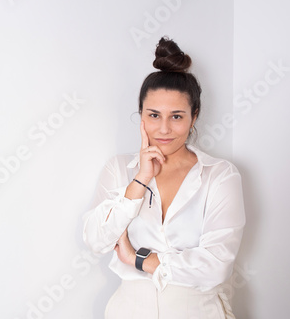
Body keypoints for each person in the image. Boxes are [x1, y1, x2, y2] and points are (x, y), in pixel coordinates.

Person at [82, 37, 245, 319]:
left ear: (194, 117)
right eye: (154, 115)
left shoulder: (220, 175)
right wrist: (141, 180)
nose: (164, 129)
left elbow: (217, 264)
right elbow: (96, 240)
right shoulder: (120, 169)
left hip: (198, 310)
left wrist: (138, 259)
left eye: (177, 116)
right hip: (128, 310)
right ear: (141, 115)